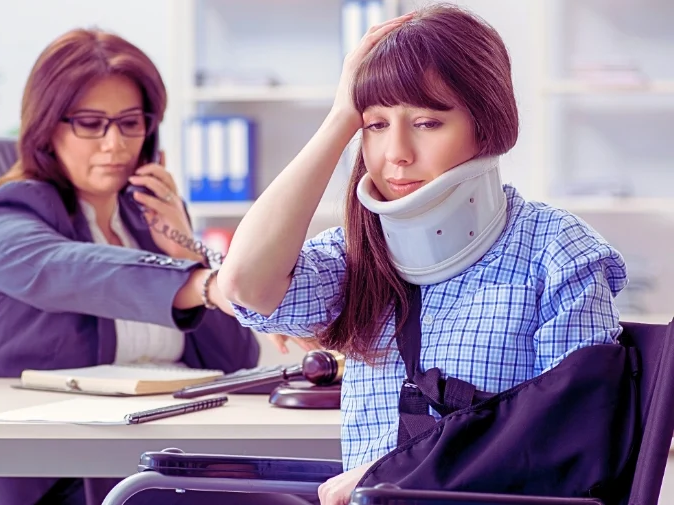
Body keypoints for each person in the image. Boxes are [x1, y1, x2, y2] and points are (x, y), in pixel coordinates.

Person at [218, 5, 628, 505]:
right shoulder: (356, 255)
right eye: (375, 125)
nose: (397, 153)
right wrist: (340, 117)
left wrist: (398, 472)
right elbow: (246, 283)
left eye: (428, 122)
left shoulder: (558, 251)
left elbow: (573, 431)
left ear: (486, 123)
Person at [0, 28, 316, 505]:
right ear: (48, 127)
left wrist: (184, 248)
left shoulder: (149, 215)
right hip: (72, 475)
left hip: (174, 458)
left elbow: (233, 360)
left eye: (130, 122)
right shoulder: (8, 215)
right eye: (91, 123)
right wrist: (202, 282)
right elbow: (72, 269)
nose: (114, 144)